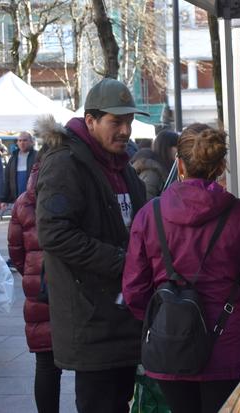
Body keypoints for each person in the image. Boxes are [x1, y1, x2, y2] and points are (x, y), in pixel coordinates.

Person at [122, 124, 240, 413]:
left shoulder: (149, 215)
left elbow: (134, 290)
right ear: (220, 167)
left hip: (170, 346)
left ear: (179, 164)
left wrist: (162, 322)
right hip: (229, 344)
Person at [35, 78, 148, 413]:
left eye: (128, 121)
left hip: (123, 313)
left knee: (120, 402)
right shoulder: (65, 162)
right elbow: (54, 233)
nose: (125, 130)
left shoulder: (121, 165)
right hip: (91, 317)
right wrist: (122, 261)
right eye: (116, 122)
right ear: (91, 121)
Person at [8, 146, 66, 412]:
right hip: (70, 288)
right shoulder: (70, 190)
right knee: (89, 368)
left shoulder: (23, 201)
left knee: (45, 364)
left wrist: (32, 275)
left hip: (39, 290)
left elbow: (15, 251)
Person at [0, 131, 37, 208]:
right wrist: (4, 199)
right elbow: (7, 180)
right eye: (20, 140)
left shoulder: (37, 156)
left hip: (34, 201)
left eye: (25, 140)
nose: (22, 143)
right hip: (16, 201)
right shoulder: (13, 158)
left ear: (31, 142)